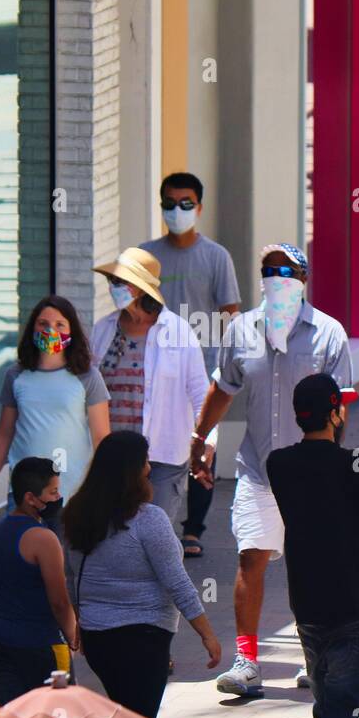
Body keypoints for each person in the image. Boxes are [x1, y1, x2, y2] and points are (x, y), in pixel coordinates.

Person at [190, 243, 352, 697]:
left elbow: (342, 407)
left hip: (313, 476)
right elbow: (223, 389)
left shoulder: (329, 334)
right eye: (267, 270)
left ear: (304, 278)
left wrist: (333, 469)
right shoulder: (241, 330)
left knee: (311, 565)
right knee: (251, 558)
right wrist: (198, 438)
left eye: (286, 270)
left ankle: (313, 656)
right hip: (258, 471)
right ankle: (247, 662)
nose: (276, 276)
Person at [266, 374, 359, 718]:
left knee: (330, 705)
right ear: (336, 413)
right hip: (351, 601)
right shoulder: (354, 462)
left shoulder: (279, 463)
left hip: (306, 602)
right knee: (341, 706)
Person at [64, 431, 222, 718]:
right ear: (132, 471)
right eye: (145, 462)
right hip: (144, 640)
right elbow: (178, 583)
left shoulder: (76, 514)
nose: (150, 469)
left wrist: (80, 622)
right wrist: (208, 635)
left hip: (98, 639)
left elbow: (72, 577)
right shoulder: (149, 519)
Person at [141, 172, 240, 558]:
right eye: (169, 203)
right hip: (155, 367)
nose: (177, 211)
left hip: (205, 366)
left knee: (202, 442)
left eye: (186, 204)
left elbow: (230, 313)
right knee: (152, 445)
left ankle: (192, 529)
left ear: (199, 207)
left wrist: (229, 365)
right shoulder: (146, 256)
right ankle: (146, 521)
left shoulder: (216, 256)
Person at [90, 247, 210, 539]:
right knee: (111, 538)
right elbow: (88, 386)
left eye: (121, 283)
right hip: (113, 454)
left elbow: (200, 392)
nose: (114, 288)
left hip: (163, 456)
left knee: (154, 538)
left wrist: (207, 443)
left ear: (140, 289)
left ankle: (158, 586)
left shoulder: (179, 332)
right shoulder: (103, 329)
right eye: (112, 281)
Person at [0, 296, 110, 528]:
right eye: (43, 324)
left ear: (72, 330)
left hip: (73, 493)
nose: (50, 330)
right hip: (25, 494)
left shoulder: (87, 376)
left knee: (66, 562)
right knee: (22, 560)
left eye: (60, 325)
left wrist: (104, 490)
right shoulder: (15, 375)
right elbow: (4, 434)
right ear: (32, 328)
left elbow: (101, 438)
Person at [0, 457, 80, 706]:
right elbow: (59, 601)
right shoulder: (44, 539)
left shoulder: (1, 528)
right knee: (59, 715)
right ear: (30, 498)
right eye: (53, 492)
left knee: (15, 717)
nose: (58, 498)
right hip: (42, 642)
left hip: (1, 635)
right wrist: (73, 636)